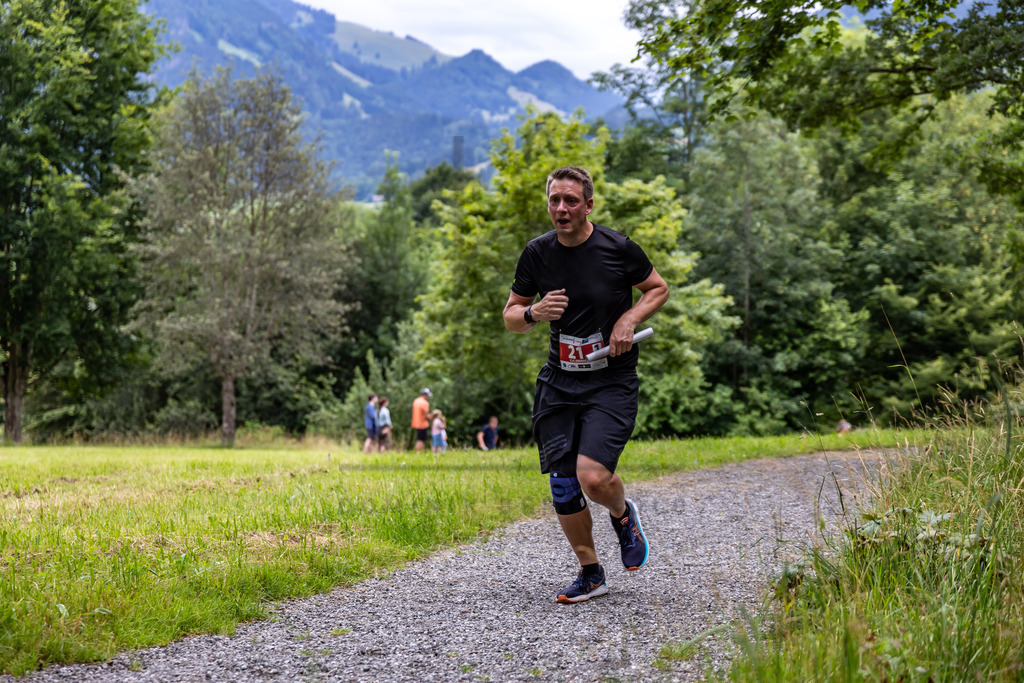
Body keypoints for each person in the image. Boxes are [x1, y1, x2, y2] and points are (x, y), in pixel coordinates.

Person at [503, 165, 669, 604]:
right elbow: (510, 316)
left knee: (593, 478)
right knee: (563, 484)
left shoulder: (617, 248)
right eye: (555, 200)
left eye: (570, 200)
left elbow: (657, 289)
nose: (561, 208)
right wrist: (534, 314)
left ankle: (621, 512)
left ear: (588, 205)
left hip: (610, 381)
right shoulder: (537, 254)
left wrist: (628, 319)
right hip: (559, 382)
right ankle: (591, 572)